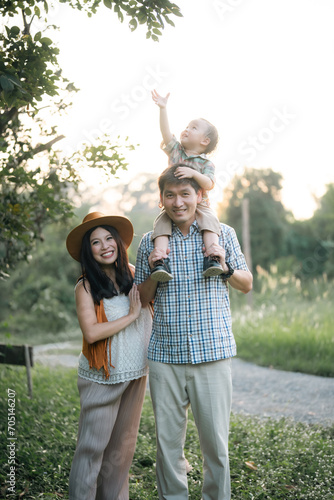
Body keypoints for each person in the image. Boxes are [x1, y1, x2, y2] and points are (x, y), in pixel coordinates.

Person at [134, 166, 253, 500]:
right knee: (167, 446)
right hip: (165, 358)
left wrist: (225, 265)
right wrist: (155, 271)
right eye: (170, 195)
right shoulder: (149, 241)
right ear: (161, 199)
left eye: (185, 194)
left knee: (215, 446)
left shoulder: (223, 234)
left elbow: (246, 284)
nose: (178, 202)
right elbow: (142, 299)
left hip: (211, 354)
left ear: (199, 196)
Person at [65, 211, 152, 500]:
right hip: (102, 379)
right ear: (88, 251)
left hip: (136, 375)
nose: (105, 246)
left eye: (108, 238)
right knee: (91, 451)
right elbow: (91, 333)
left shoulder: (132, 273)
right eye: (95, 242)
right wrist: (130, 316)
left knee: (121, 454)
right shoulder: (86, 286)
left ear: (118, 241)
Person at [150, 89, 224, 282]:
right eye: (187, 126)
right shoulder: (176, 152)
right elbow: (166, 134)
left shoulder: (206, 164)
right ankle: (160, 261)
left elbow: (208, 184)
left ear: (204, 141)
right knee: (161, 224)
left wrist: (193, 173)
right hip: (174, 204)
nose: (187, 129)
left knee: (209, 222)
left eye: (193, 128)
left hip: (200, 205)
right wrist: (163, 109)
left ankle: (213, 257)